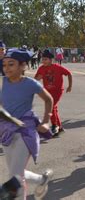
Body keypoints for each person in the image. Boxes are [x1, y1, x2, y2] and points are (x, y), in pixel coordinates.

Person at [0, 49, 54, 199]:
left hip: (25, 132)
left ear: (23, 66)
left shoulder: (30, 83)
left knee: (15, 178)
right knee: (16, 174)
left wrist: (46, 121)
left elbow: (48, 99)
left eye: (11, 64)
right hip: (6, 133)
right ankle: (41, 179)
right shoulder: (2, 82)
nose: (7, 68)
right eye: (4, 65)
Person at [34, 50, 73, 136]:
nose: (43, 61)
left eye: (45, 59)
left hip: (57, 91)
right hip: (47, 92)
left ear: (51, 60)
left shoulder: (57, 67)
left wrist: (70, 86)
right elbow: (36, 79)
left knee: (51, 107)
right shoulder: (41, 68)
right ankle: (60, 127)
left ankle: (54, 126)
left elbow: (69, 74)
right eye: (42, 59)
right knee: (53, 108)